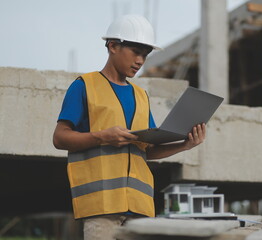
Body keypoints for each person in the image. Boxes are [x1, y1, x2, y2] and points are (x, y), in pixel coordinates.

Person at [52, 14, 205, 240]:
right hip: (101, 208)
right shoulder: (84, 86)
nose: (141, 61)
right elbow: (59, 138)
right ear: (113, 46)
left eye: (145, 55)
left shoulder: (141, 96)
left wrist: (184, 145)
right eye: (135, 52)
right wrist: (102, 137)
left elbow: (147, 151)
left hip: (140, 208)